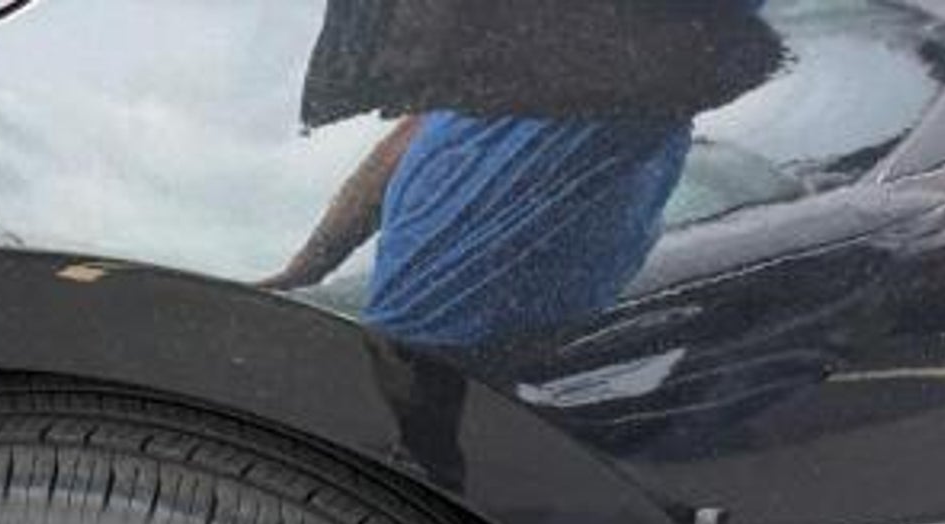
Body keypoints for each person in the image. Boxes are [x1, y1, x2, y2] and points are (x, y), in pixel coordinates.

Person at [266, 0, 782, 362]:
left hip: (477, 354)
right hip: (410, 339)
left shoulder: (643, 54)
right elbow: (411, 136)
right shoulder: (494, 59)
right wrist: (307, 268)